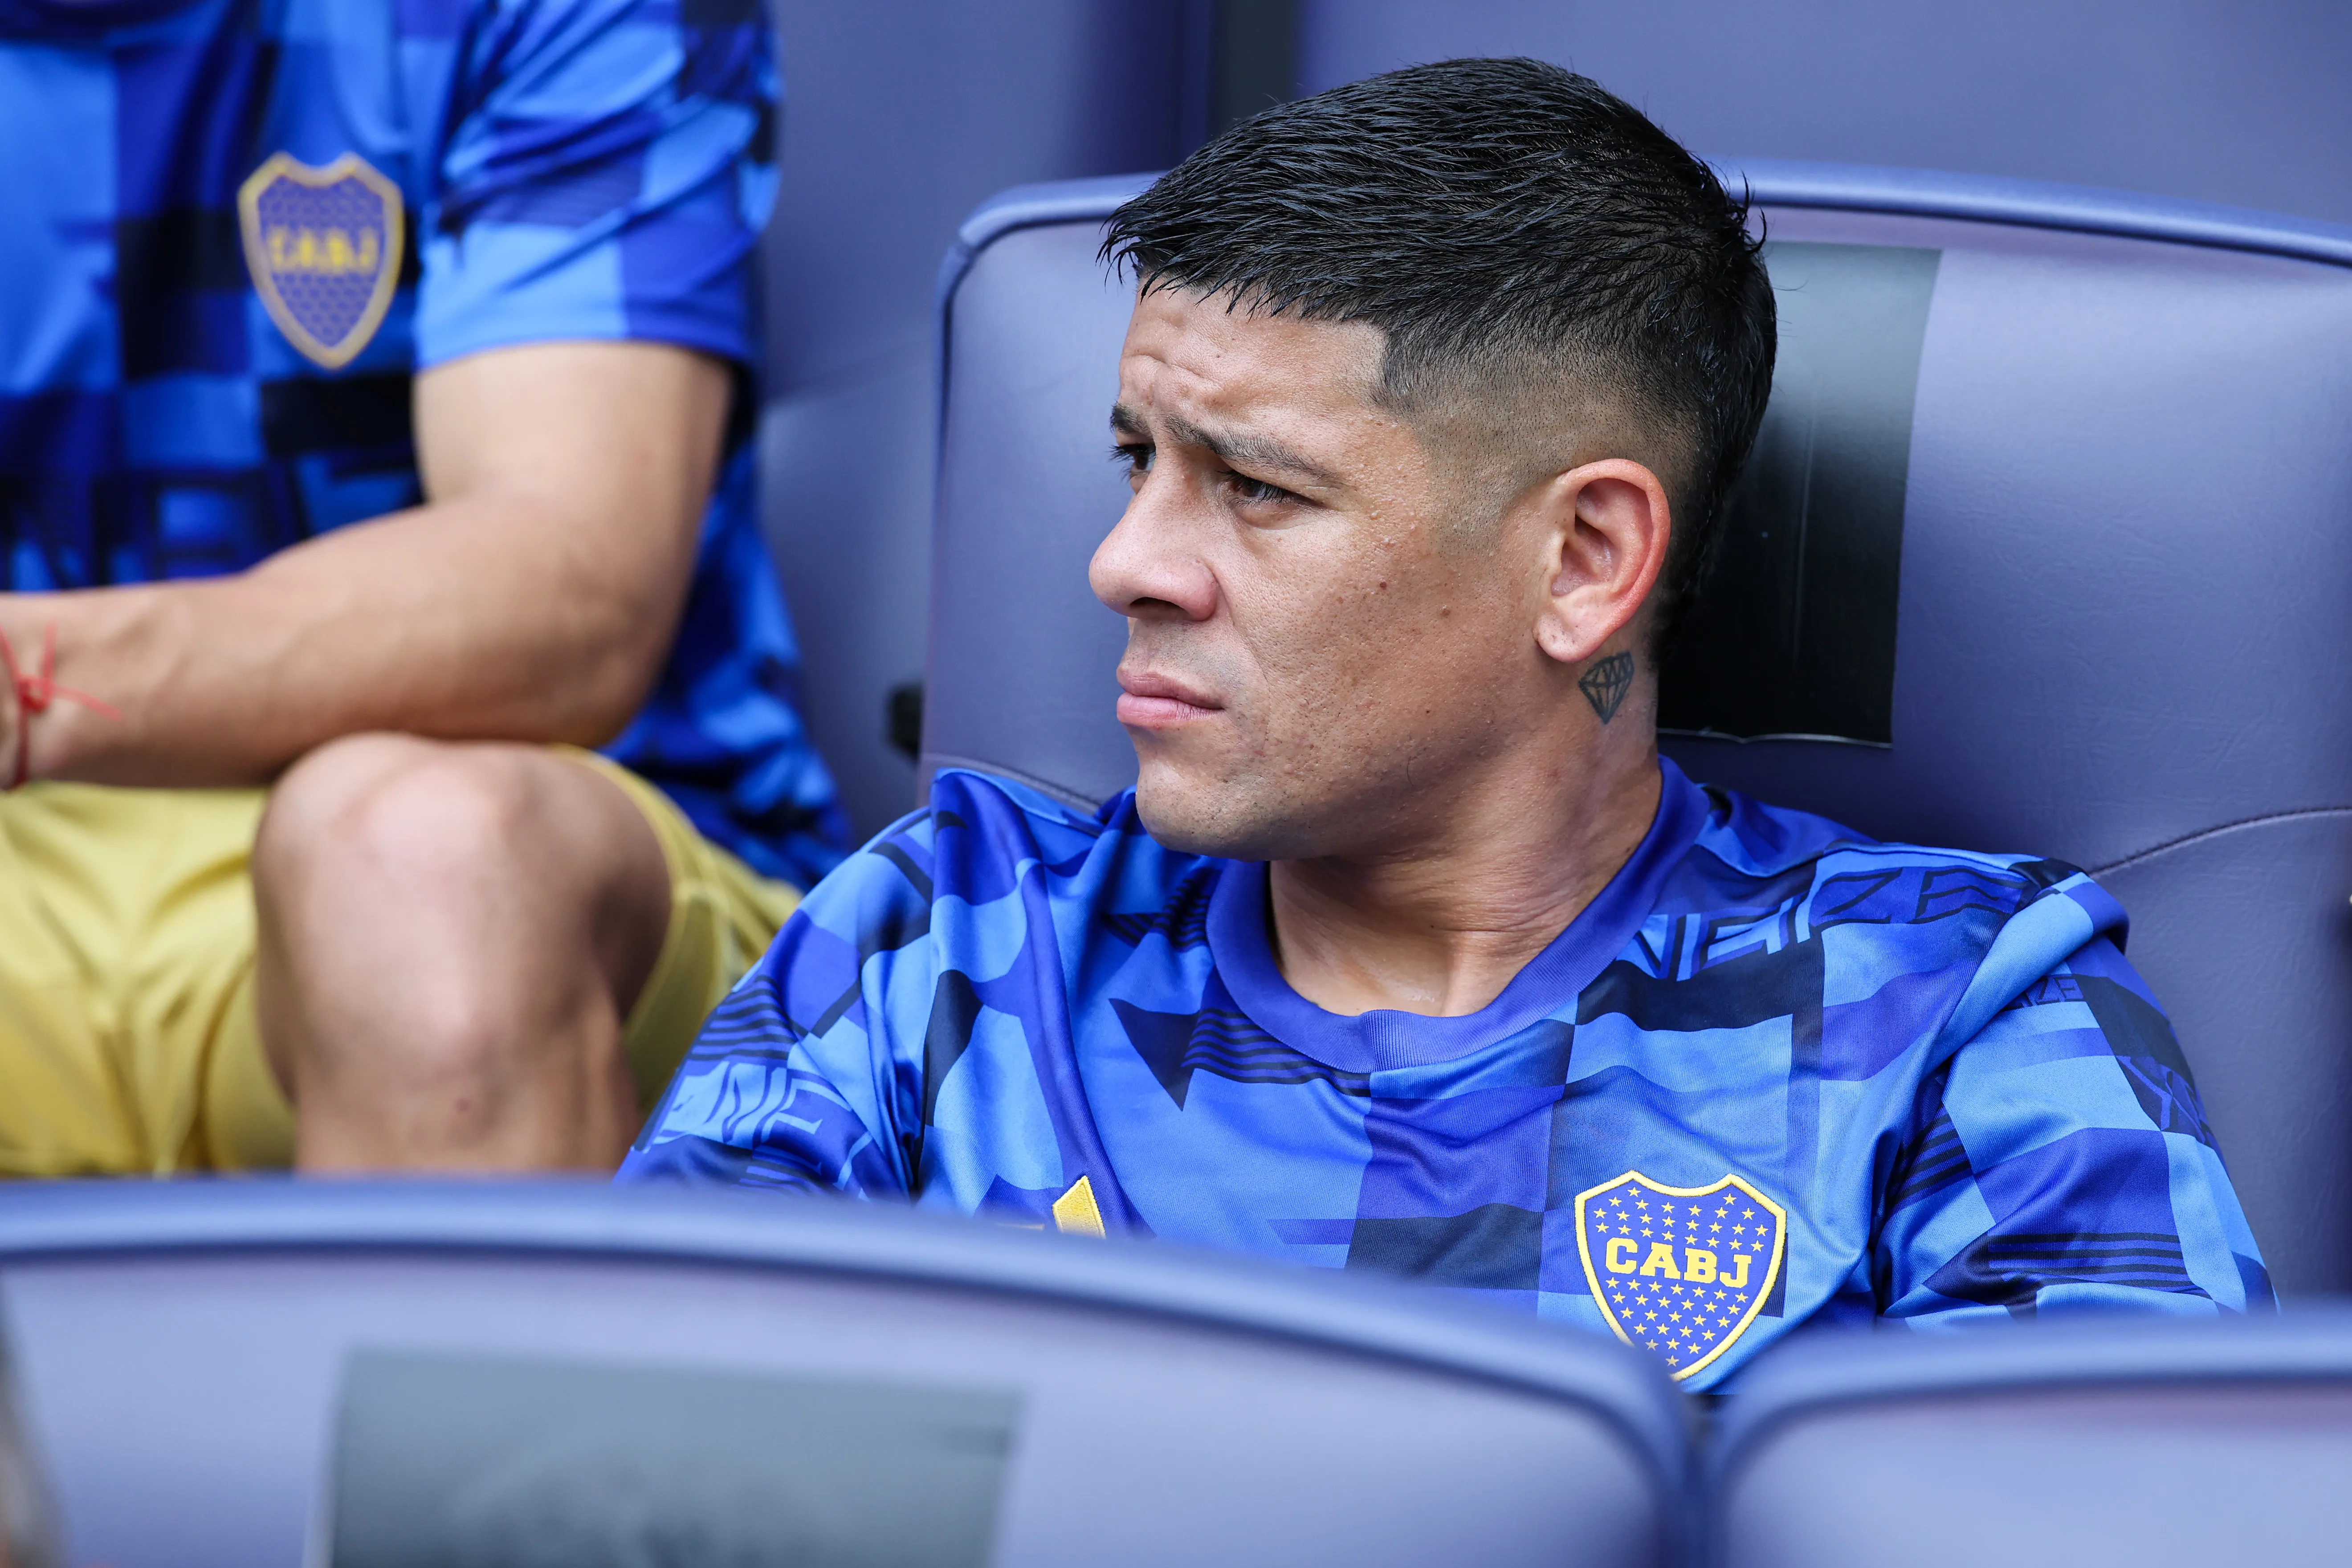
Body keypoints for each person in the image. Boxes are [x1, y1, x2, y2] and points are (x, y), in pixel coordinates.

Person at [620, 59, 2270, 1387]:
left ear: (1585, 560)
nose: (1123, 562)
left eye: (1258, 488)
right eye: (1141, 461)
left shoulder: (1950, 1016)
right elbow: (632, 1466)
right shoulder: (946, 941)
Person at [0, 0, 846, 1173]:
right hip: (26, 870)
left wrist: (32, 678)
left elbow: (568, 601)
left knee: (426, 861)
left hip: (533, 840)